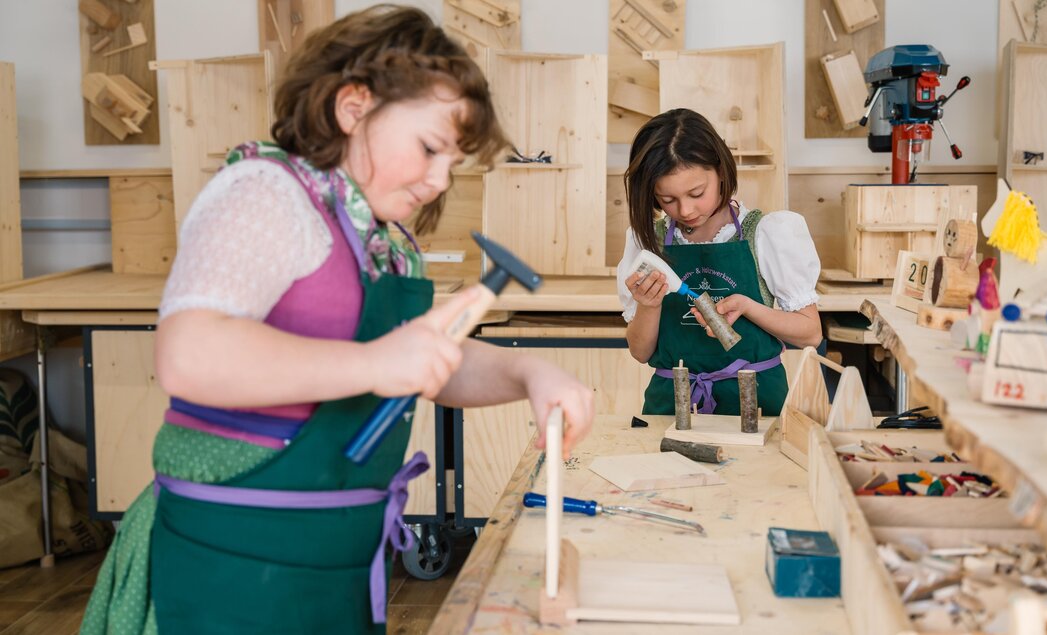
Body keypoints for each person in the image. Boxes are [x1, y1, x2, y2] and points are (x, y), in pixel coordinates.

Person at [81, 6, 593, 634]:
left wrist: (526, 373)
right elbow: (189, 356)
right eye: (430, 149)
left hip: (338, 561)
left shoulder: (381, 235)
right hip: (233, 562)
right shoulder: (265, 194)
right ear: (353, 107)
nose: (438, 181)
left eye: (452, 164)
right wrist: (376, 363)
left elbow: (423, 358)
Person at [616, 108, 821, 418]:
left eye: (697, 193)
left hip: (758, 406)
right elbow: (640, 352)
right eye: (667, 199)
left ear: (722, 171)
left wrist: (749, 307)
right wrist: (649, 305)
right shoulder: (648, 241)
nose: (685, 209)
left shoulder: (766, 233)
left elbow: (811, 333)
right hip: (672, 408)